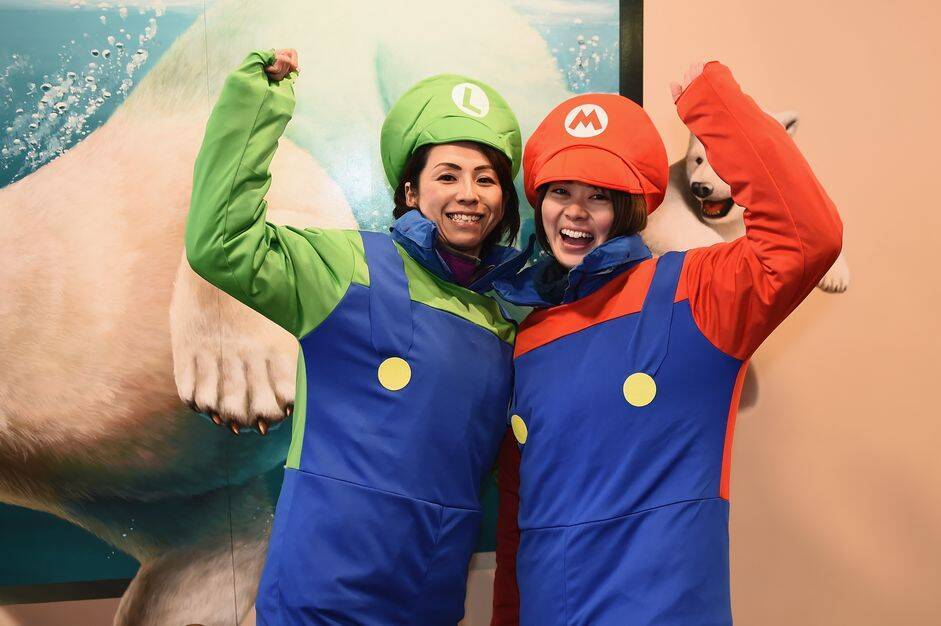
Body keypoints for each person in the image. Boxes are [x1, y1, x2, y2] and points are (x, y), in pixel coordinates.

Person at [185, 48, 532, 624]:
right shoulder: (344, 267)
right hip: (321, 598)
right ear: (410, 192)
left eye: (486, 179)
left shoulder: (502, 320)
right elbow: (220, 244)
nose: (469, 194)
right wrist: (257, 103)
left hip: (430, 598)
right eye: (447, 175)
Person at [490, 61, 843, 625]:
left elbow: (807, 238)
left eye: (599, 195)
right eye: (560, 191)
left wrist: (714, 106)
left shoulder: (694, 291)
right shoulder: (530, 336)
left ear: (630, 208)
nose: (575, 210)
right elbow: (517, 516)